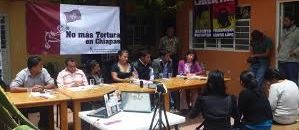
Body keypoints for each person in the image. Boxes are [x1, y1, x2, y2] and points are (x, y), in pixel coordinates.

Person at [10, 56, 55, 129]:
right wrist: (30, 89)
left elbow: (52, 84)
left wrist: (44, 87)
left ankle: (44, 127)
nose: (42, 67)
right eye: (40, 65)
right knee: (21, 112)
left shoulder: (44, 71)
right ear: (33, 67)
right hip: (27, 102)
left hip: (41, 101)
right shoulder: (23, 73)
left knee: (48, 108)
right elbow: (12, 88)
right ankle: (24, 127)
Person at [278, 15, 299, 85]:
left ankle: (295, 96)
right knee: (283, 82)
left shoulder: (297, 32)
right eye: (284, 21)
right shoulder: (284, 31)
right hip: (281, 60)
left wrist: (294, 52)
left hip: (291, 61)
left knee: (293, 82)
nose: (284, 22)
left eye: (286, 21)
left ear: (292, 22)